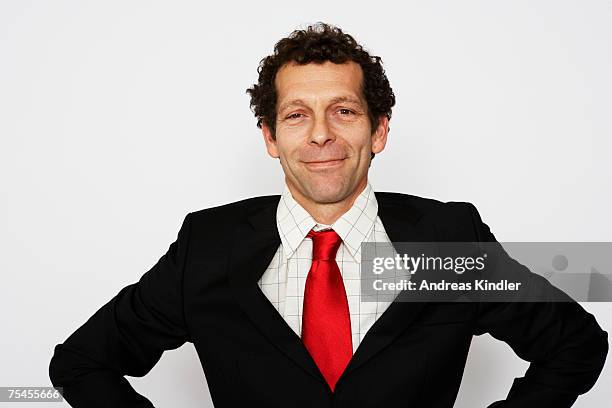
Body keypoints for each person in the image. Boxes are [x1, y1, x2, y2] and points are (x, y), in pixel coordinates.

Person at [49, 22, 608, 407]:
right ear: (270, 137)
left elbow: (575, 343)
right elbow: (80, 363)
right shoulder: (208, 246)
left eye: (344, 110)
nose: (321, 134)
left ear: (379, 130)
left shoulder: (445, 241)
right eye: (296, 115)